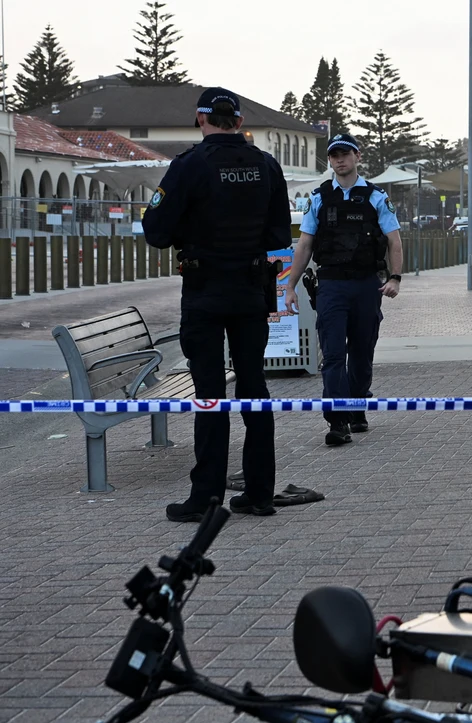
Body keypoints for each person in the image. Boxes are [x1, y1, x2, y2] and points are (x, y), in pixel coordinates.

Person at [142, 87, 290, 522]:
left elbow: (155, 230)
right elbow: (279, 235)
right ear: (239, 122)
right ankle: (260, 492)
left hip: (204, 292)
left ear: (200, 119)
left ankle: (206, 498)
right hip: (250, 290)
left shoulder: (189, 165)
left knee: (209, 395)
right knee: (254, 389)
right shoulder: (266, 165)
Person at [284, 133, 402, 446]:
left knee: (361, 354)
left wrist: (394, 278)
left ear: (357, 157)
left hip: (366, 285)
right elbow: (305, 244)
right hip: (331, 286)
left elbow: (394, 241)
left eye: (345, 154)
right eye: (334, 155)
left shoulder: (376, 197)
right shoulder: (319, 198)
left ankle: (357, 405)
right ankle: (338, 421)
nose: (339, 160)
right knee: (334, 355)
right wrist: (290, 286)